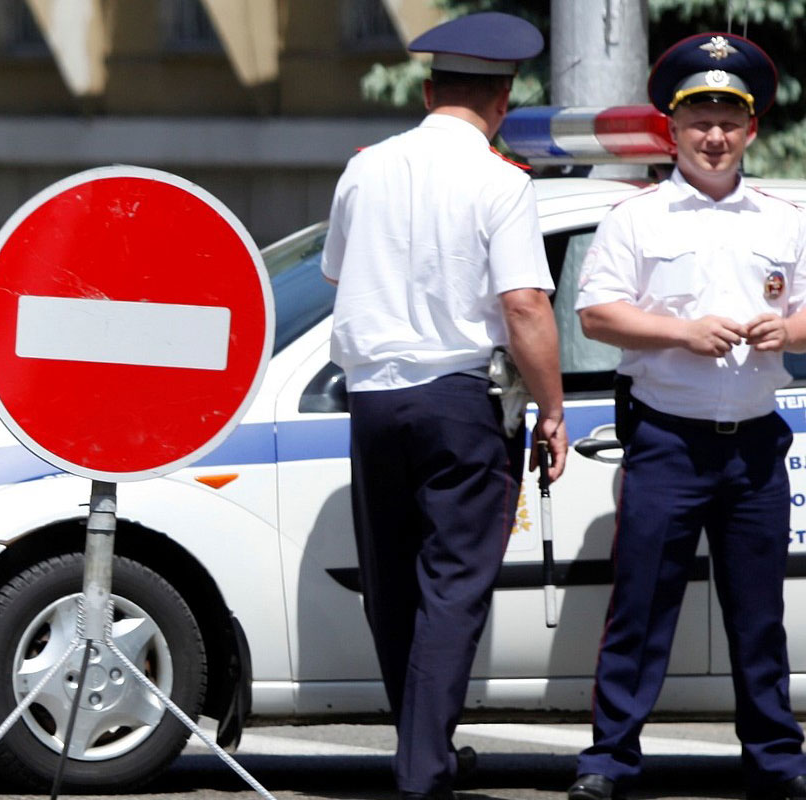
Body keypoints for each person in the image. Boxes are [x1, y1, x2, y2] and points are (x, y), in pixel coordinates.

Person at [320, 11, 568, 799]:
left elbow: (336, 273)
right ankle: (423, 768)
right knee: (453, 588)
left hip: (373, 402)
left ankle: (421, 749)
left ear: (428, 90)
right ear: (503, 101)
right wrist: (555, 410)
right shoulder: (501, 181)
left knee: (393, 585)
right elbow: (526, 305)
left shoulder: (366, 168)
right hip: (460, 400)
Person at [569, 33, 806, 800]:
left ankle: (775, 760)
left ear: (751, 131)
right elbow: (597, 316)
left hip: (757, 446)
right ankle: (609, 760)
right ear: (673, 130)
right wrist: (682, 332)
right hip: (668, 438)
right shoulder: (637, 218)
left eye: (728, 121)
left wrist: (790, 332)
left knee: (758, 617)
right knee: (641, 610)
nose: (713, 136)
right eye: (699, 120)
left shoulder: (783, 218)